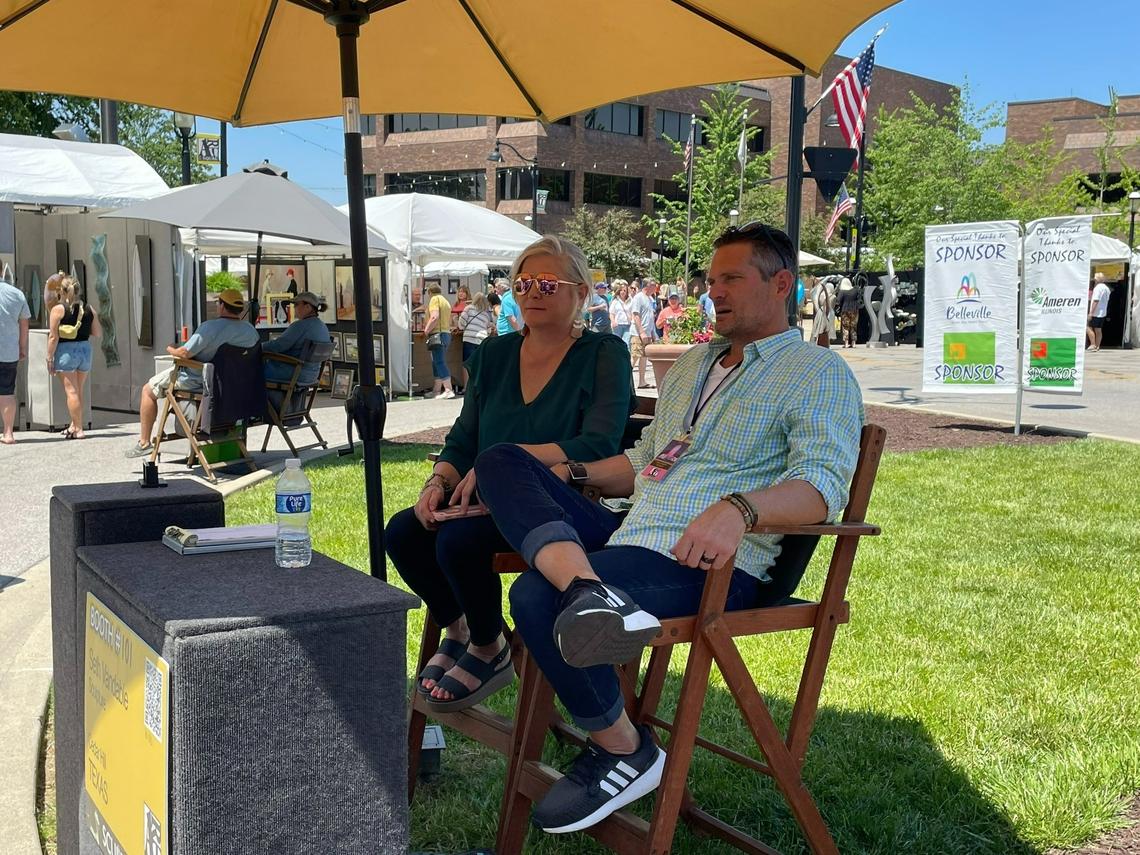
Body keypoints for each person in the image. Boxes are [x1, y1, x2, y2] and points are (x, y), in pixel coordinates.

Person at [471, 221, 863, 834]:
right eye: (711, 280)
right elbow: (643, 462)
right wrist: (566, 470)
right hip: (628, 530)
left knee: (532, 594)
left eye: (732, 278)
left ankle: (623, 747)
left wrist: (740, 509)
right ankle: (587, 592)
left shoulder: (816, 372)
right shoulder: (694, 365)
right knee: (500, 459)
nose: (716, 292)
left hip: (704, 563)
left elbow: (821, 488)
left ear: (782, 284)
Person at [385, 235, 633, 714]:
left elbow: (599, 443)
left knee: (457, 541)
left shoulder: (604, 353)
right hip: (483, 498)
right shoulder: (494, 356)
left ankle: (488, 648)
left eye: (547, 283)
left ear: (581, 293)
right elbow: (464, 437)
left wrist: (506, 459)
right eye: (522, 283)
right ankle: (459, 626)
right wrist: (439, 481)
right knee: (404, 531)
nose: (532, 292)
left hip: (561, 503)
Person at [125, 289, 258, 458]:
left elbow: (184, 353)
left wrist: (170, 348)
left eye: (219, 303)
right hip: (232, 384)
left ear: (222, 305)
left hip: (200, 380)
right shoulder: (250, 331)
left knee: (148, 390)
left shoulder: (209, 327)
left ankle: (144, 443)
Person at [46, 275, 101, 439]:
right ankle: (74, 425)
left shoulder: (58, 309)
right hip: (85, 349)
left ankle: (78, 429)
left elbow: (53, 337)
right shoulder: (90, 309)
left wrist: (49, 358)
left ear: (61, 291)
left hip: (66, 351)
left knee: (71, 391)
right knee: (78, 390)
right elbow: (97, 333)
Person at [263, 292, 332, 385]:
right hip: (313, 374)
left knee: (253, 371)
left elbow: (278, 345)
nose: (294, 308)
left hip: (294, 373)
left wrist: (258, 347)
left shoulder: (300, 325)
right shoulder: (322, 327)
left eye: (296, 305)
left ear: (307, 307)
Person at [0, 274, 30, 445]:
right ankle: (8, 433)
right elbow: (24, 324)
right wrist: (22, 347)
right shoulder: (16, 294)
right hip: (9, 352)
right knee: (6, 393)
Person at [457, 290, 495, 388]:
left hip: (469, 339)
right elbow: (489, 329)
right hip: (482, 340)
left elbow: (461, 324)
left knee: (467, 364)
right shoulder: (486, 314)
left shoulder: (468, 308)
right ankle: (479, 387)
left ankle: (467, 387)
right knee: (479, 365)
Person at [423, 283, 456, 399]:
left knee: (439, 362)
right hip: (446, 333)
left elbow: (434, 317)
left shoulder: (434, 300)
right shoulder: (445, 301)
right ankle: (436, 390)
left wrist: (426, 329)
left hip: (437, 334)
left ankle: (448, 389)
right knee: (436, 362)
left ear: (429, 292)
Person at [629, 279, 659, 388]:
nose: (655, 287)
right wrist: (641, 332)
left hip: (647, 333)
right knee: (635, 356)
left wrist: (653, 333)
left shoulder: (650, 299)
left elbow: (650, 317)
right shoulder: (638, 297)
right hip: (638, 333)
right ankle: (624, 379)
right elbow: (636, 315)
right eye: (653, 285)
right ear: (647, 286)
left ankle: (642, 381)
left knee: (643, 357)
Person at [1087, 272, 1111, 351]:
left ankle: (1093, 344)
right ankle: (1097, 346)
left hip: (1096, 312)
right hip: (1103, 311)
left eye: (1095, 278)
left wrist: (1091, 313)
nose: (1094, 279)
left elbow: (1096, 300)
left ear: (1097, 279)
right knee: (1098, 330)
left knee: (1088, 327)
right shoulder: (1106, 288)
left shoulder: (1097, 288)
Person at [836, 277, 859, 348]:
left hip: (845, 310)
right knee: (853, 326)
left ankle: (846, 343)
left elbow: (838, 301)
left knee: (845, 327)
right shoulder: (855, 290)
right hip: (854, 310)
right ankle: (853, 343)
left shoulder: (842, 291)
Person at [810, 277, 833, 348]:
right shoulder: (822, 310)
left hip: (823, 316)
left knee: (817, 332)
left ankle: (813, 344)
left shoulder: (823, 310)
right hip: (822, 316)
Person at [609, 279, 633, 347]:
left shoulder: (631, 301)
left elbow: (632, 312)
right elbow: (611, 313)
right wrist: (613, 322)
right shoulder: (615, 301)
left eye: (624, 290)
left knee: (626, 342)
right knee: (617, 343)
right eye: (621, 290)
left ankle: (625, 356)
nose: (623, 292)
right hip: (617, 325)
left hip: (628, 325)